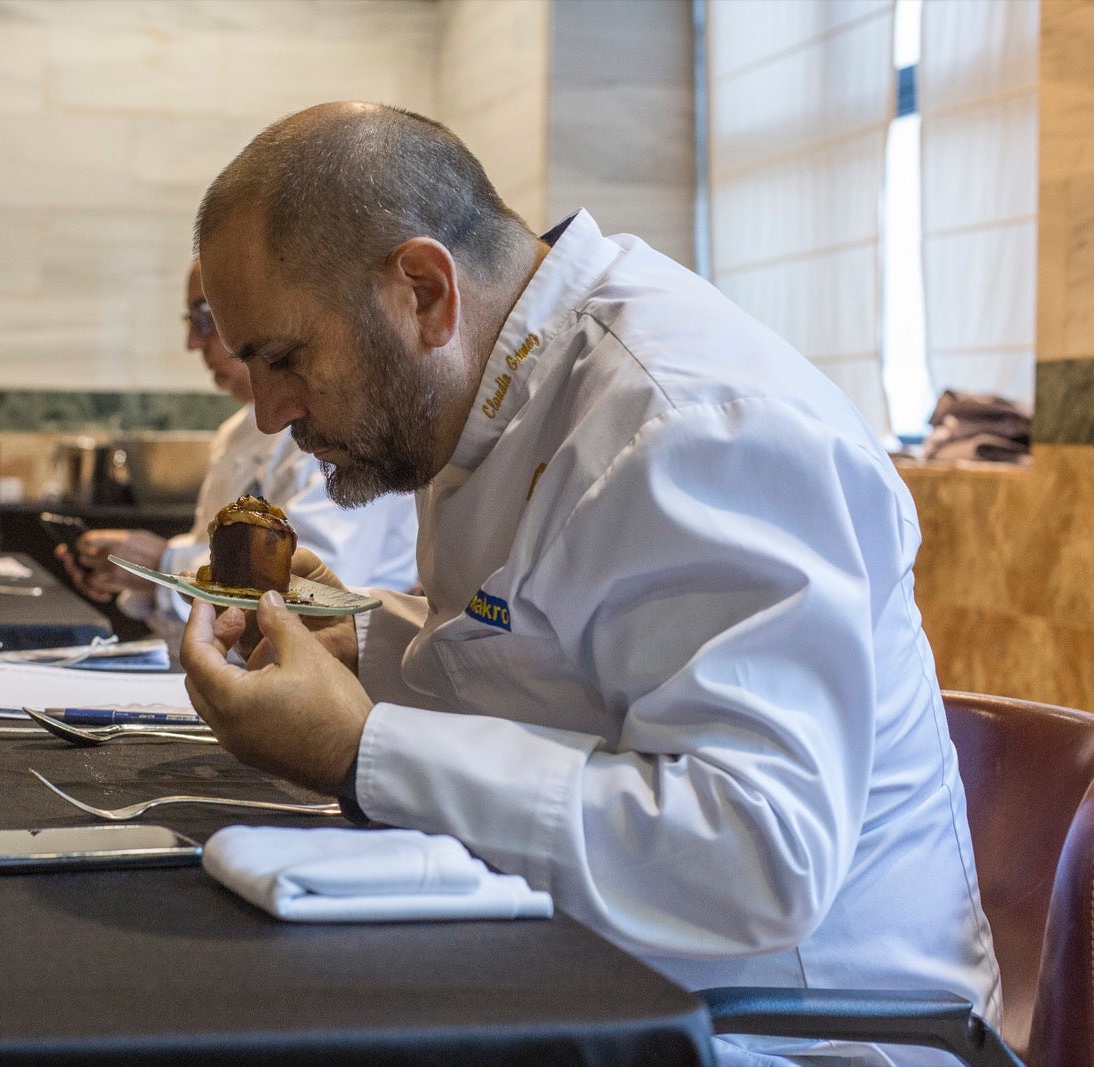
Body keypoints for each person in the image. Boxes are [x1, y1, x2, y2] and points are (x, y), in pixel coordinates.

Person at [180, 103, 998, 1066]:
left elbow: (755, 856)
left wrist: (364, 749)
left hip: (800, 1032)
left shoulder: (695, 422)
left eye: (286, 357)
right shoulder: (492, 393)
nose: (271, 413)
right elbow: (554, 666)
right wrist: (361, 641)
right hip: (610, 980)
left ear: (423, 290)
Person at [55, 259, 418, 636]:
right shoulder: (237, 431)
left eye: (205, 317)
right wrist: (136, 579)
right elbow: (214, 564)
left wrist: (164, 567)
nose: (193, 342)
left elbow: (317, 582)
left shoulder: (339, 419)